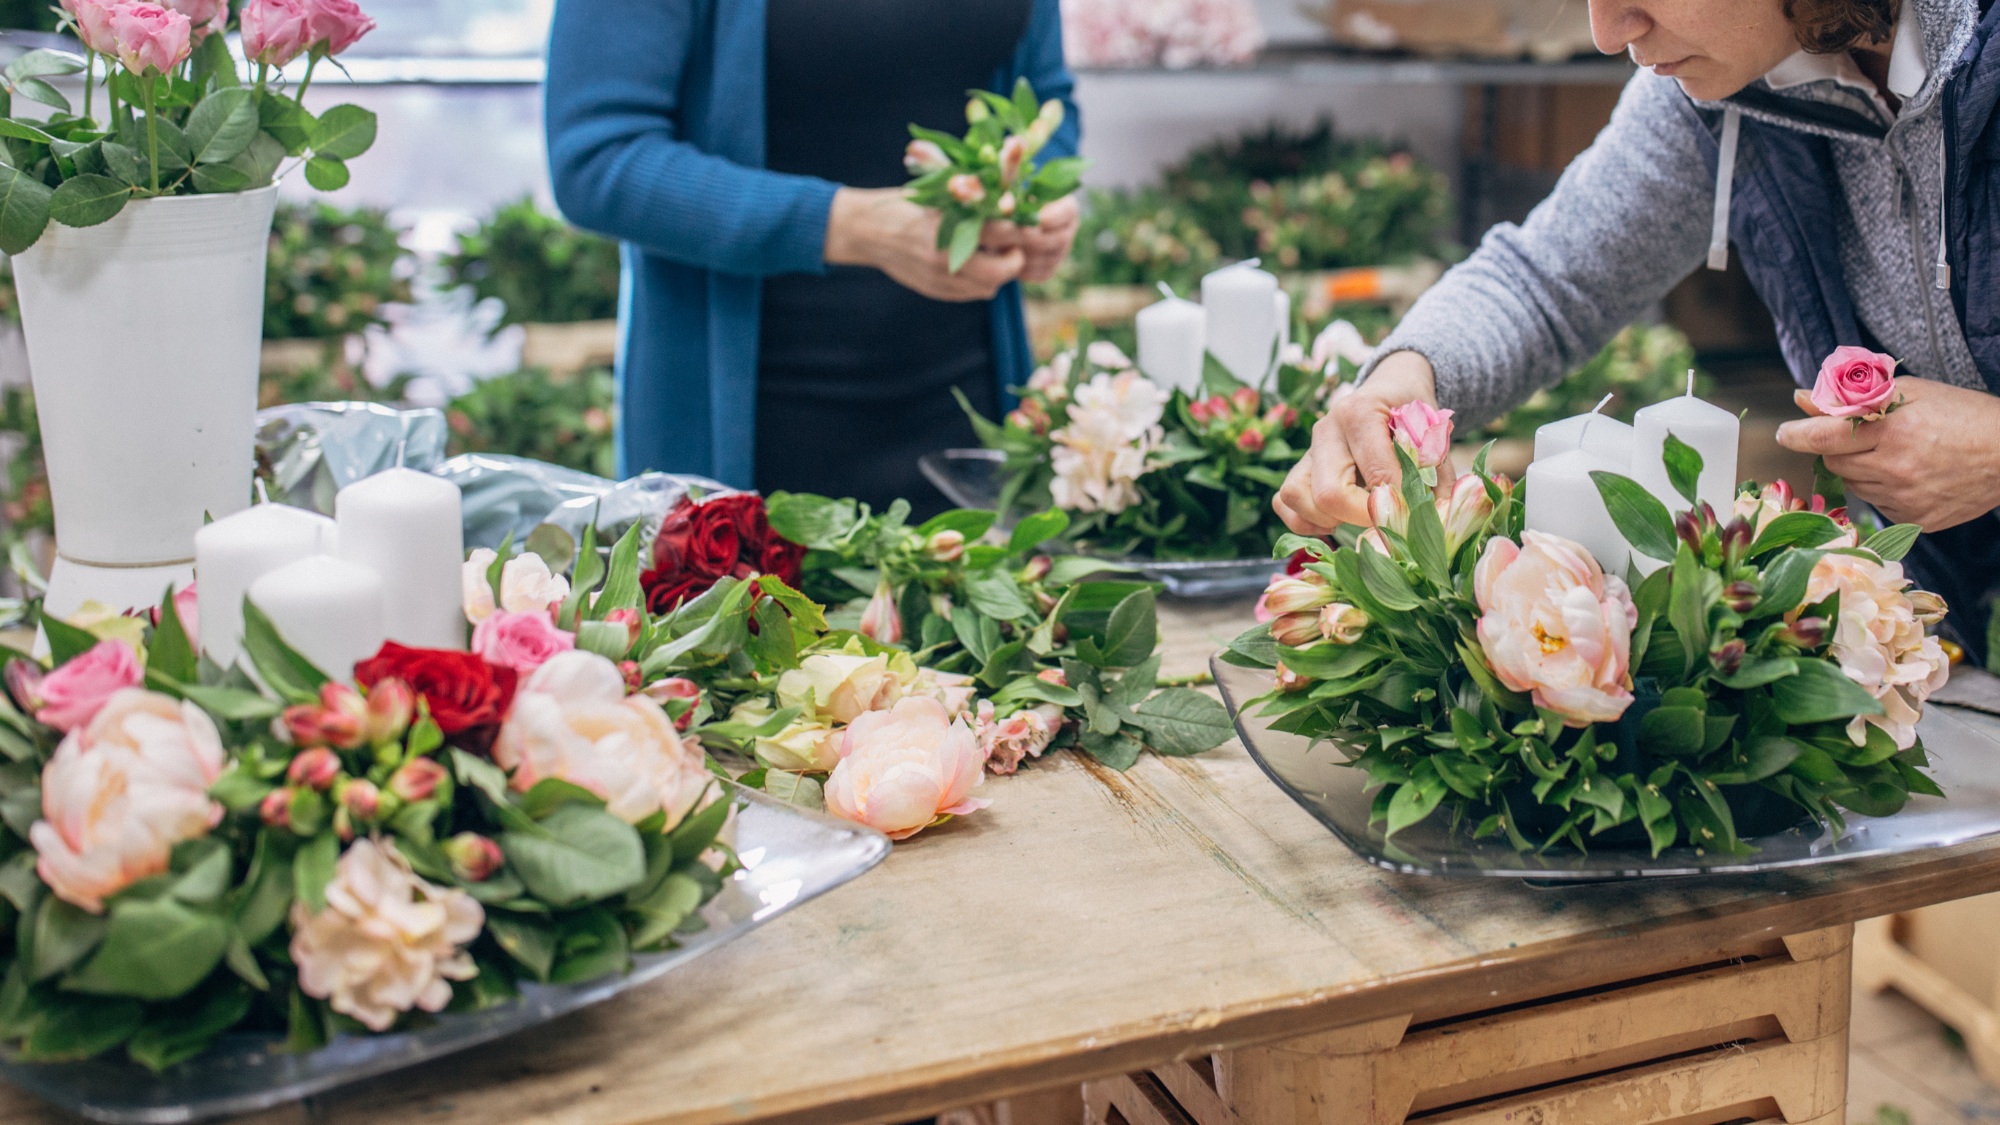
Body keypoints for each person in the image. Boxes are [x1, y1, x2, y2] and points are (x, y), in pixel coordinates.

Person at [1277, 0, 2000, 658]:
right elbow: (1547, 283)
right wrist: (1408, 373)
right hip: (1951, 631)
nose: (1607, 31)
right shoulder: (1730, 81)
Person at [543, 0, 1080, 515]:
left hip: (972, 429)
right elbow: (597, 159)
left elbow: (1044, 94)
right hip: (752, 446)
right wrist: (851, 226)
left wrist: (1033, 195)